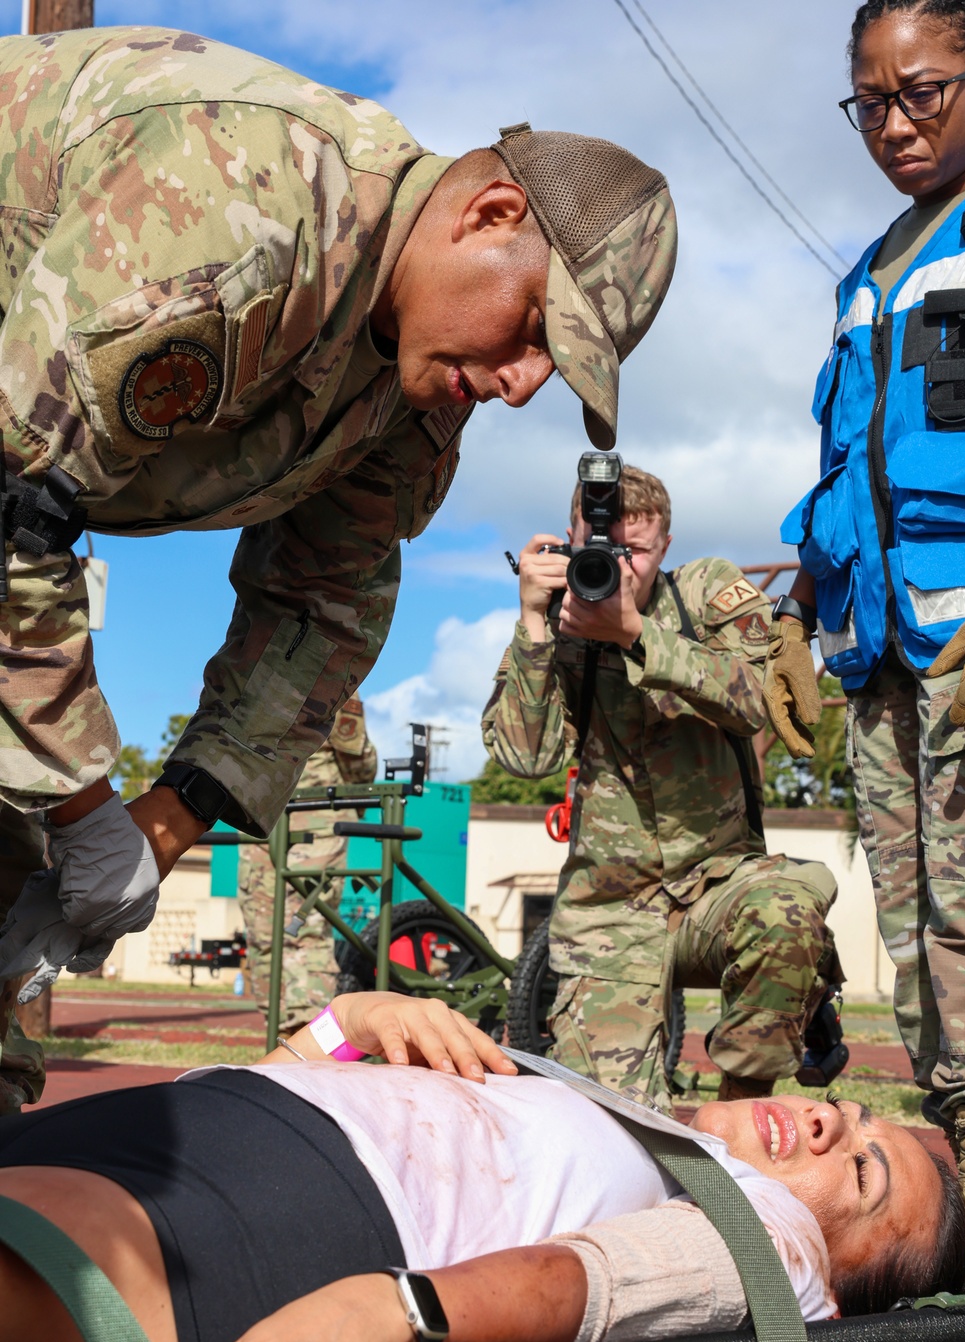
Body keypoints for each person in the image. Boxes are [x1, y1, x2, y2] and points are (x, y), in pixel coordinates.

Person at [0, 25, 678, 1112]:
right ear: (489, 215)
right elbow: (13, 506)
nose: (520, 385)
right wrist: (82, 809)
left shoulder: (416, 396)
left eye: (556, 369)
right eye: (533, 330)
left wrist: (156, 827)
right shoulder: (234, 217)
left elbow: (322, 606)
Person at [0, 991, 965, 1342]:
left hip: (276, 1210)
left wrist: (383, 1310)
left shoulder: (771, 1239)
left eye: (859, 1168)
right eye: (847, 1111)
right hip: (198, 1127)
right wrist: (337, 1027)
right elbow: (322, 1081)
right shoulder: (649, 1127)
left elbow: (610, 1279)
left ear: (838, 1284)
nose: (826, 1122)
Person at [765, 0, 965, 1273]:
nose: (895, 124)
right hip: (882, 661)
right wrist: (806, 610)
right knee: (913, 934)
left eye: (923, 92)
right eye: (870, 102)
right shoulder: (868, 275)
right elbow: (849, 470)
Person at [482, 464, 843, 1109]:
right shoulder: (556, 623)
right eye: (602, 550)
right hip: (610, 911)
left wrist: (635, 634)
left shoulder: (707, 592)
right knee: (607, 1128)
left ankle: (745, 1107)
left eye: (636, 551)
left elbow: (760, 700)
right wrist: (534, 626)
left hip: (718, 883)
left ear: (665, 548)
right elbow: (524, 757)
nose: (618, 568)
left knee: (785, 906)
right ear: (570, 537)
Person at [239, 697, 377, 1033]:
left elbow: (353, 750)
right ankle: (279, 1029)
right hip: (259, 810)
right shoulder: (245, 661)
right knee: (263, 927)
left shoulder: (323, 658)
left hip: (310, 811)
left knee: (302, 924)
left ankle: (308, 1035)